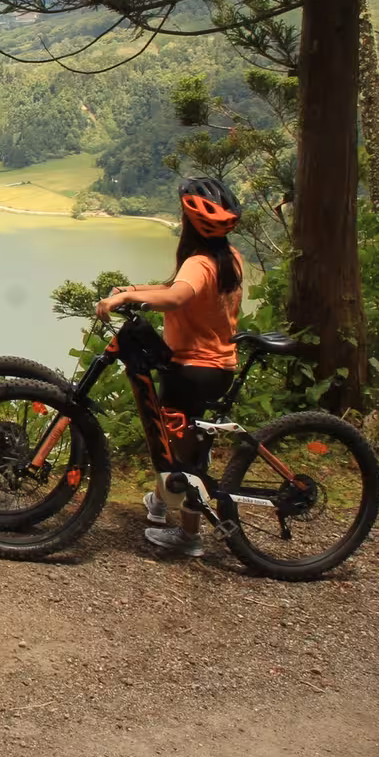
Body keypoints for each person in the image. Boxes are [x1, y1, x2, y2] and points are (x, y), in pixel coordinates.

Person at [93, 177, 245, 558]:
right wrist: (136, 290)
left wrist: (128, 296)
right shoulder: (230, 258)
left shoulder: (198, 262)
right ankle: (162, 502)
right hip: (216, 367)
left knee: (181, 456)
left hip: (192, 369)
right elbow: (176, 286)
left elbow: (178, 295)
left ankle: (189, 537)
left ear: (192, 222)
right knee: (171, 435)